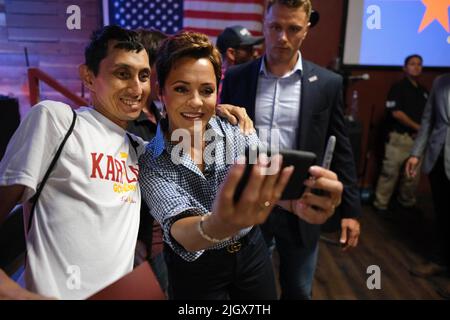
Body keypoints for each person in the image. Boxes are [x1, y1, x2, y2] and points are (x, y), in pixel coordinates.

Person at [0, 26, 253, 300]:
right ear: (88, 76)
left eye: (143, 75)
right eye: (122, 74)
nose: (136, 88)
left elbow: (183, 134)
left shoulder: (142, 150)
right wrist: (16, 294)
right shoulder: (57, 120)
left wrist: (209, 109)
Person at [138, 31, 343, 300]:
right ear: (161, 91)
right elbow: (181, 231)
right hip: (195, 269)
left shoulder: (235, 130)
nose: (196, 102)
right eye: (181, 88)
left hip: (251, 252)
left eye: (207, 90)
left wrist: (292, 203)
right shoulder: (152, 161)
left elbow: (263, 181)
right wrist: (217, 224)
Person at [220, 0, 362, 299]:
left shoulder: (327, 83)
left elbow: (342, 148)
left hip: (301, 201)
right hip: (250, 199)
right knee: (247, 289)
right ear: (265, 25)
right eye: (275, 27)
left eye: (293, 28)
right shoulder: (237, 77)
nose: (283, 37)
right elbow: (224, 139)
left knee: (298, 287)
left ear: (306, 30)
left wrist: (351, 210)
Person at [405, 73, 450, 299]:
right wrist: (416, 153)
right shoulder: (440, 82)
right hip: (438, 160)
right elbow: (428, 119)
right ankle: (439, 261)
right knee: (442, 214)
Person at [373, 54, 428, 214]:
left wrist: (422, 132)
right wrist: (417, 127)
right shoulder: (398, 87)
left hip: (417, 141)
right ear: (405, 68)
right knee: (389, 172)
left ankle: (406, 202)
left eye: (419, 64)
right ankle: (380, 204)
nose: (416, 67)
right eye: (412, 64)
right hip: (399, 138)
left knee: (411, 177)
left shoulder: (423, 91)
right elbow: (396, 113)